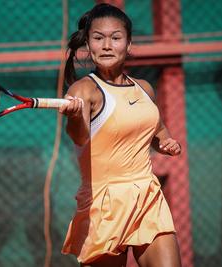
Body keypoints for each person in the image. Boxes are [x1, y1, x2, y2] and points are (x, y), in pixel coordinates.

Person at [58, 3, 182, 267]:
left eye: (115, 38)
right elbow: (79, 137)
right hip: (104, 205)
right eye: (98, 38)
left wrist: (166, 143)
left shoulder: (144, 88)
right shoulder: (83, 90)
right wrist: (75, 116)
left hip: (147, 196)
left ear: (128, 44)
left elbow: (156, 129)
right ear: (89, 44)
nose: (106, 46)